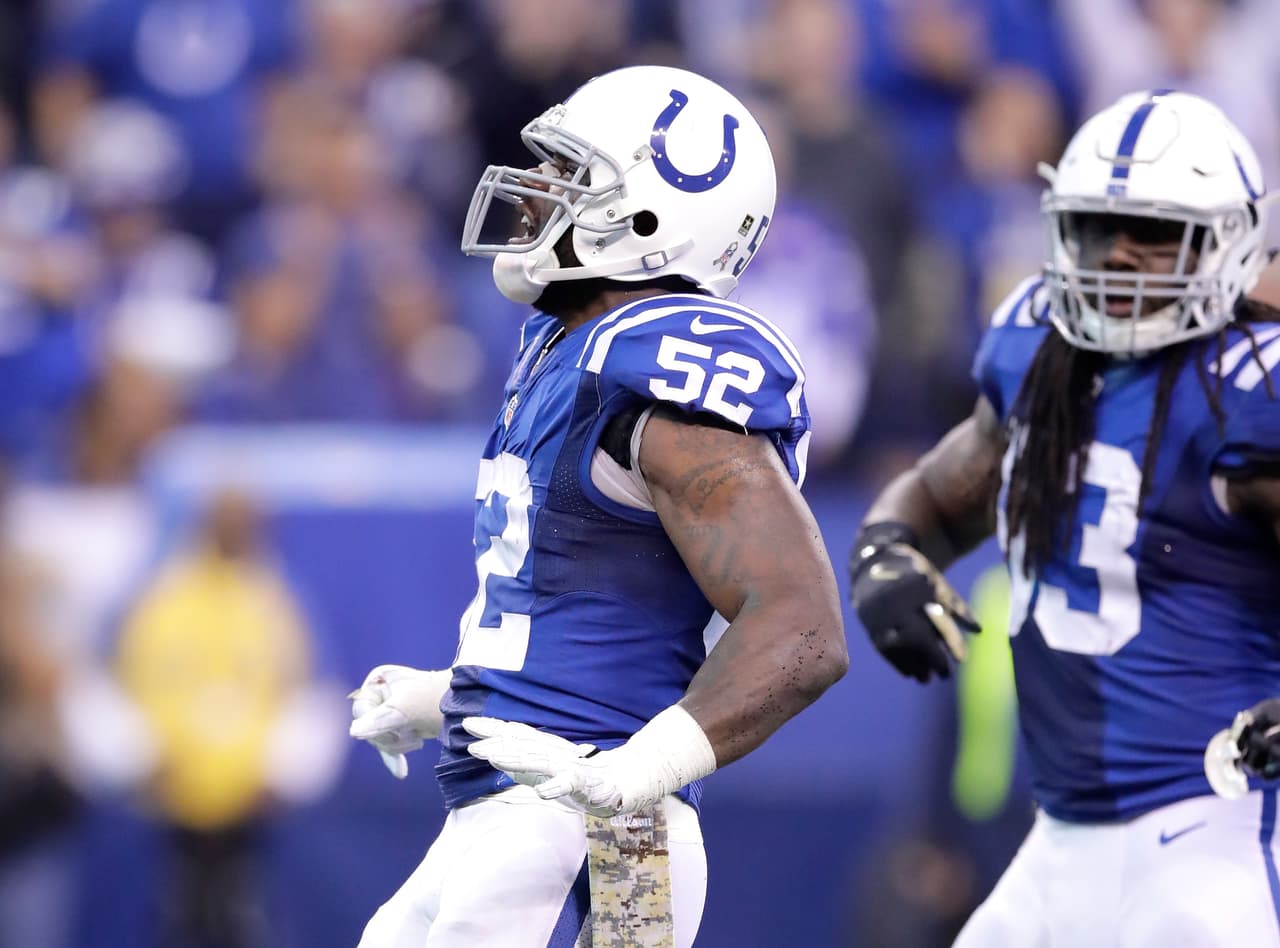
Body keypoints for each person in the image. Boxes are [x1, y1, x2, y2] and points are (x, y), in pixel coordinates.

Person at [346, 64, 848, 947]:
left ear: (652, 220)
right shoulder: (563, 347)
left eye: (573, 175)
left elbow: (803, 627)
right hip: (522, 806)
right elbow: (586, 623)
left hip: (592, 820)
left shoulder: (664, 375)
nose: (541, 190)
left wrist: (636, 774)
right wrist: (450, 696)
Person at [849, 89, 1280, 946]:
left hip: (1216, 827)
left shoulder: (1252, 393)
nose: (1115, 254)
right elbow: (940, 489)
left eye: (1150, 233)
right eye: (1095, 227)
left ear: (1227, 242)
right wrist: (886, 548)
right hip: (1058, 838)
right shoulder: (1036, 349)